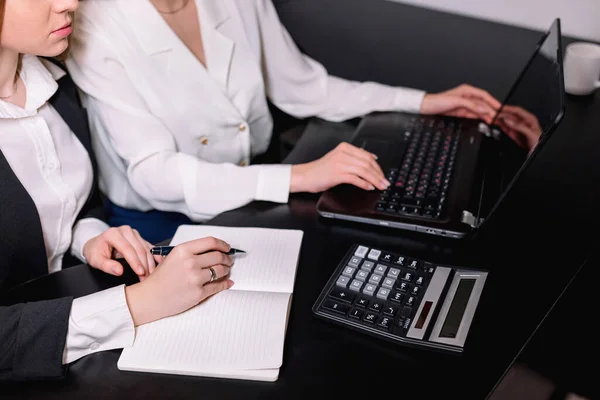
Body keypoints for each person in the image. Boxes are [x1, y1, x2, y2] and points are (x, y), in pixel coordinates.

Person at [65, 0, 503, 243]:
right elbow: (153, 175)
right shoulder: (90, 23)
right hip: (157, 223)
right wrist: (299, 176)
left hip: (256, 195)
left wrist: (422, 101)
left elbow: (303, 87)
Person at [0, 0, 234, 381]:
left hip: (70, 316)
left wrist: (91, 237)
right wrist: (135, 305)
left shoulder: (53, 82)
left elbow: (70, 206)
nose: (70, 2)